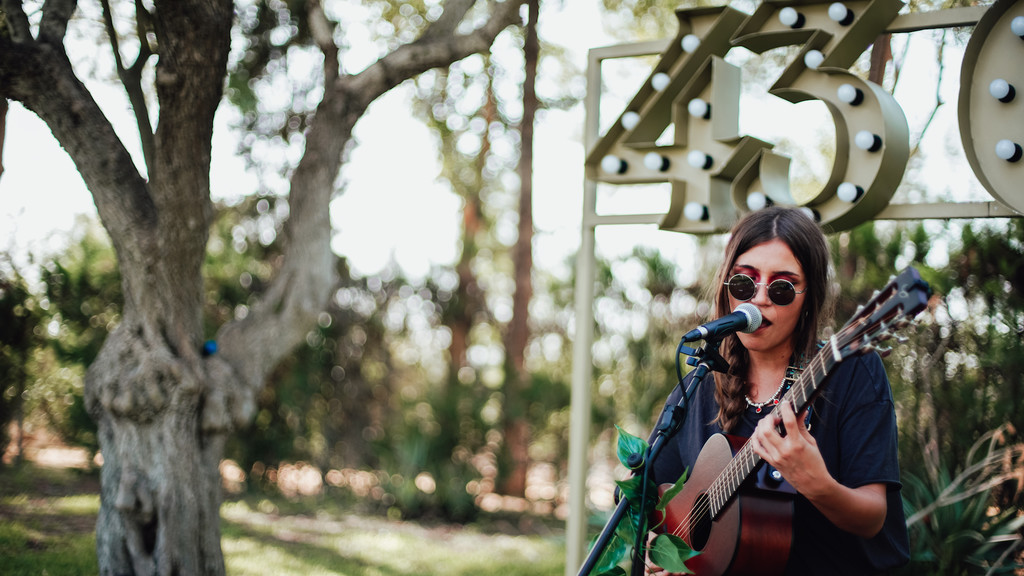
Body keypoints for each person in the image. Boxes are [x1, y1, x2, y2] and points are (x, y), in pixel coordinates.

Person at [647, 206, 910, 575]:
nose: (759, 298)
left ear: (807, 298)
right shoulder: (701, 382)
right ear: (727, 289)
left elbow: (872, 516)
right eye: (744, 283)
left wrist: (815, 483)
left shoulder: (851, 370)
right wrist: (662, 545)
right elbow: (649, 485)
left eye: (782, 288)